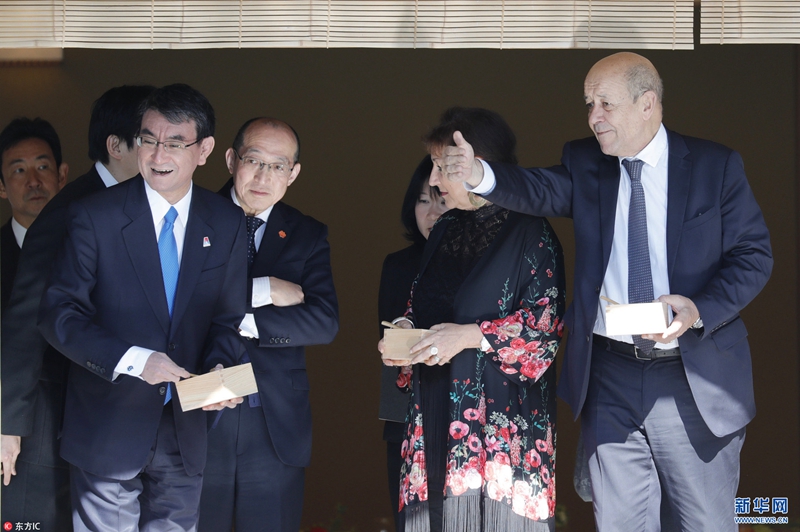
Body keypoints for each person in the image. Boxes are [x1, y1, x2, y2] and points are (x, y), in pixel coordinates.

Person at [443, 52, 773, 531]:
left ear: (647, 103)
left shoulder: (713, 166)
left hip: (692, 373)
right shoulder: (586, 162)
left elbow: (754, 256)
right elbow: (538, 188)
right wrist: (479, 175)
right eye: (588, 104)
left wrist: (699, 308)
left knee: (704, 522)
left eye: (605, 104)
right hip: (610, 373)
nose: (593, 116)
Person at [38, 83, 247, 531]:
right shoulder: (95, 216)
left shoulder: (226, 221)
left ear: (205, 149)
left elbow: (228, 318)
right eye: (148, 139)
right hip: (108, 426)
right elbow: (59, 315)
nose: (157, 154)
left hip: (186, 427)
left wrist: (219, 370)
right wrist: (135, 360)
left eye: (175, 143)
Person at [380, 107, 566, 531]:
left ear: (476, 163)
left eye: (442, 167)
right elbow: (421, 304)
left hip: (501, 427)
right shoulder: (445, 229)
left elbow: (544, 332)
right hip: (433, 409)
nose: (433, 180)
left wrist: (468, 336)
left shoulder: (531, 232)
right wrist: (405, 332)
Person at [1, 86, 153, 531]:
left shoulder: (135, 204)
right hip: (46, 411)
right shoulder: (70, 211)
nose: (162, 152)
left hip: (104, 414)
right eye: (149, 139)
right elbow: (25, 319)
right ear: (117, 146)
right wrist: (8, 423)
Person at [198, 118, 339, 532]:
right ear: (231, 160)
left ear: (293, 174)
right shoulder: (193, 216)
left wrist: (241, 318)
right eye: (254, 161)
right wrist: (265, 289)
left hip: (274, 419)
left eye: (278, 166)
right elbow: (182, 302)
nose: (264, 176)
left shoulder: (306, 233)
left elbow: (324, 322)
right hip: (202, 408)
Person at [378, 156, 448, 531]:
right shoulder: (398, 265)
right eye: (423, 201)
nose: (432, 212)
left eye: (442, 200)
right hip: (406, 415)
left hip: (466, 417)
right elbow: (389, 340)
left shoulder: (486, 263)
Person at [0, 117, 67, 310]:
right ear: (2, 187)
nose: (34, 181)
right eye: (19, 170)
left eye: (42, 167)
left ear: (61, 175)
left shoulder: (89, 243)